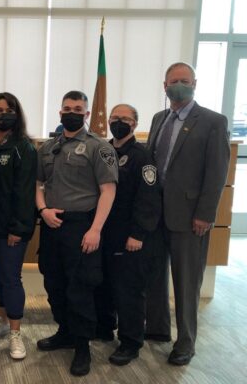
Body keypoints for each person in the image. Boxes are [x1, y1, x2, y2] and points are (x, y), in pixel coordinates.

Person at [146, 62, 230, 366]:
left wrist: (205, 214)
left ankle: (185, 342)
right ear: (164, 85)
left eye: (184, 80)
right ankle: (156, 330)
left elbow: (217, 172)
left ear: (195, 83)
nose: (178, 85)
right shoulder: (158, 119)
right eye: (173, 81)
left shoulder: (212, 121)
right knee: (154, 278)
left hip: (190, 217)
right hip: (157, 217)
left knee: (186, 283)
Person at [35, 90, 117, 377]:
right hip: (52, 224)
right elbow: (38, 183)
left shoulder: (99, 147)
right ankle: (65, 333)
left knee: (80, 288)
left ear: (86, 114)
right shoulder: (48, 147)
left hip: (83, 226)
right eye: (67, 107)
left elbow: (108, 190)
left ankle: (83, 347)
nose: (72, 112)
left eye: (78, 108)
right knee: (54, 283)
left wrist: (96, 229)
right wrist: (43, 209)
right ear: (60, 112)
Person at [93, 104, 162, 366]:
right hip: (103, 233)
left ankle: (131, 342)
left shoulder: (142, 156)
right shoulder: (103, 150)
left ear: (135, 124)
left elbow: (149, 198)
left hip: (128, 236)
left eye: (124, 119)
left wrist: (138, 233)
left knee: (128, 291)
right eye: (114, 118)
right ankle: (104, 328)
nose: (118, 122)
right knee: (104, 284)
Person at [0, 92, 37, 360]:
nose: (3, 114)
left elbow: (25, 193)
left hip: (12, 229)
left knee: (11, 278)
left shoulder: (23, 147)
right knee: (0, 275)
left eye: (8, 109)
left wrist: (19, 228)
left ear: (17, 113)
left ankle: (16, 333)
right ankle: (1, 322)